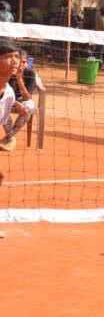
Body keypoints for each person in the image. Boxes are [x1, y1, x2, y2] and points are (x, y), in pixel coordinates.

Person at [0, 42, 20, 239]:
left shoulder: (9, 94)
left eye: (17, 56)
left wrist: (10, 139)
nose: (15, 61)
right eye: (8, 56)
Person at [0, 48, 38, 151]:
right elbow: (4, 94)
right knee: (2, 106)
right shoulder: (7, 71)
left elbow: (27, 97)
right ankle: (11, 139)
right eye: (19, 62)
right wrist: (15, 103)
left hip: (21, 99)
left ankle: (9, 137)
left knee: (29, 106)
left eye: (24, 62)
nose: (20, 65)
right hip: (7, 100)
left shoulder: (30, 73)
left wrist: (19, 78)